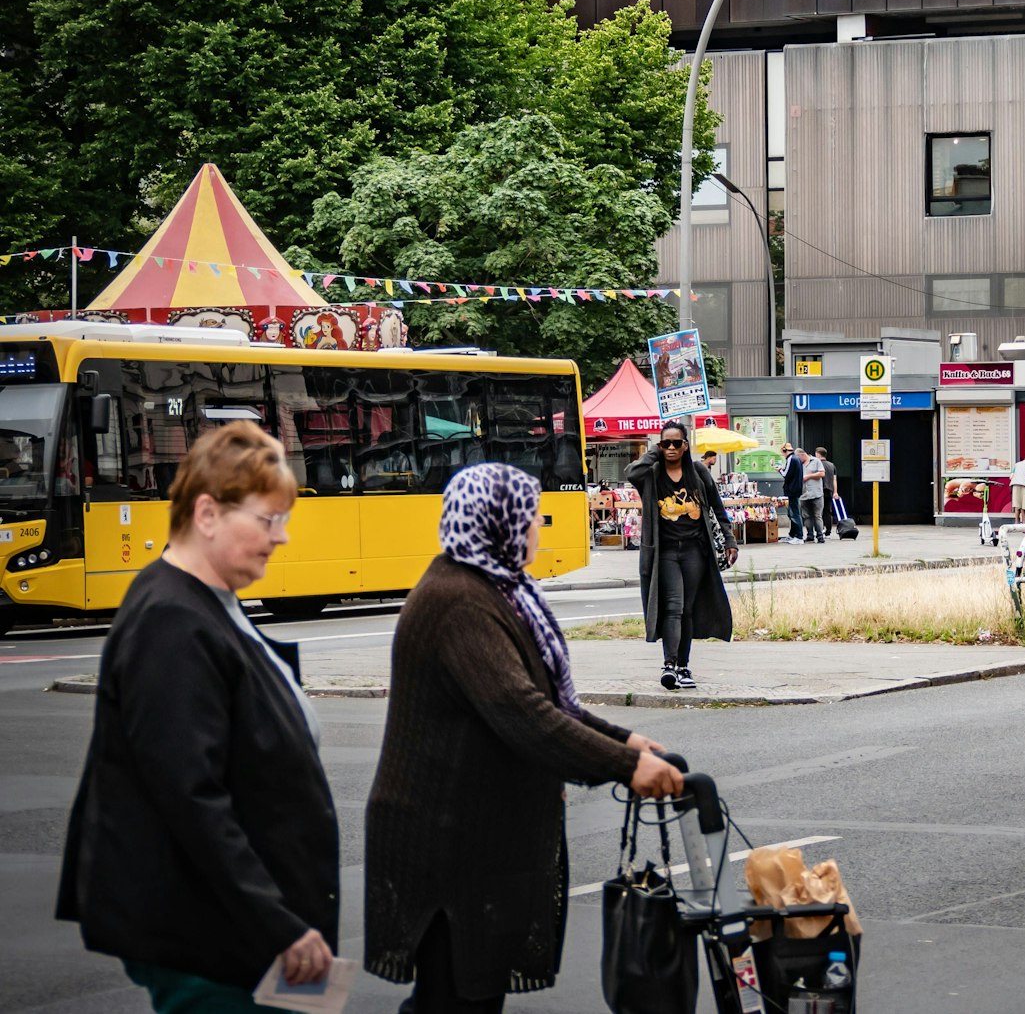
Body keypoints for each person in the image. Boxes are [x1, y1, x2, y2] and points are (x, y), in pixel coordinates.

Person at [365, 463, 683, 1012]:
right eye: (529, 514)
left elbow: (552, 703)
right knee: (455, 997)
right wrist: (626, 767)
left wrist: (629, 742)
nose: (538, 523)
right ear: (498, 521)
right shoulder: (459, 601)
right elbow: (524, 714)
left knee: (462, 994)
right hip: (444, 841)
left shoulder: (498, 588)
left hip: (473, 834)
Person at [59, 422, 339, 1011]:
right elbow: (190, 800)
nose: (282, 538)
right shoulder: (172, 619)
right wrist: (279, 924)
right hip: (218, 938)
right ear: (207, 513)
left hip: (236, 928)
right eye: (269, 520)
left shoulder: (206, 601)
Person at [628, 423, 738, 689]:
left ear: (686, 446)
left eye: (677, 443)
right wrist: (654, 452)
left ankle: (684, 666)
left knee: (686, 608)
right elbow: (632, 472)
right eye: (667, 444)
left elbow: (717, 507)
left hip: (694, 550)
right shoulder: (652, 473)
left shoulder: (698, 472)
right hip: (664, 551)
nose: (672, 448)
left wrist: (730, 540)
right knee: (673, 606)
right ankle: (669, 665)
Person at [798, 446, 828, 543]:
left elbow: (822, 474)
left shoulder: (816, 461)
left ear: (803, 455)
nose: (798, 460)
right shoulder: (799, 464)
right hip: (803, 494)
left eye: (798, 457)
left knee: (817, 515)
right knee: (806, 516)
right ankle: (810, 535)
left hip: (816, 493)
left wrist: (809, 476)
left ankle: (820, 536)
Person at [779, 442, 805, 544]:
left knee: (795, 513)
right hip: (796, 489)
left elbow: (786, 474)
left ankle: (799, 536)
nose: (783, 455)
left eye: (783, 453)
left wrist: (779, 470)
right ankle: (793, 534)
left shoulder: (791, 459)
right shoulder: (796, 458)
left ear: (785, 451)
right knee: (792, 513)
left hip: (792, 490)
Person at [816, 447, 840, 536]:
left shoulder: (817, 464)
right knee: (828, 511)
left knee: (818, 512)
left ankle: (820, 530)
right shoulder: (832, 465)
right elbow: (834, 480)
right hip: (829, 490)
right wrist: (835, 492)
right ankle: (828, 531)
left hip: (819, 490)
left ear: (818, 454)